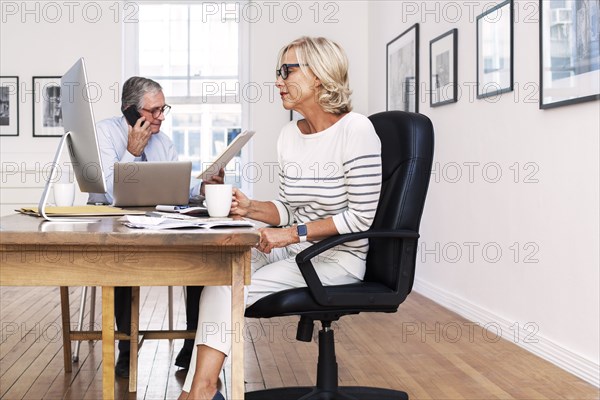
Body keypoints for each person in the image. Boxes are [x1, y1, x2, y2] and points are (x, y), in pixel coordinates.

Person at [178, 36, 382, 400]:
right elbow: (289, 207)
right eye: (279, 71)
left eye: (288, 71)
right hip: (297, 249)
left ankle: (199, 393)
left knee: (235, 288)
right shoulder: (290, 134)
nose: (278, 81)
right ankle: (204, 389)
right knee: (222, 274)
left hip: (338, 259)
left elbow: (363, 218)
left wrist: (292, 234)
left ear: (319, 75)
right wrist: (250, 206)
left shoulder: (358, 131)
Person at [88, 77, 223, 378]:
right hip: (114, 225)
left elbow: (176, 185)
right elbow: (110, 194)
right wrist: (132, 153)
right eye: (154, 111)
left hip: (159, 223)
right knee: (122, 261)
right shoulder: (105, 133)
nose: (161, 117)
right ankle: (126, 348)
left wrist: (202, 185)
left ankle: (192, 346)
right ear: (130, 111)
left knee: (202, 257)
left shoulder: (163, 141)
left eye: (164, 109)